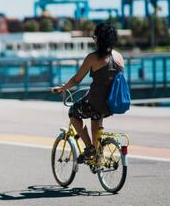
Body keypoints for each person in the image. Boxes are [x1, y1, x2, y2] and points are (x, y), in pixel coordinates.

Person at [51, 23, 125, 163]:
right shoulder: (119, 57)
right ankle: (98, 155)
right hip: (111, 103)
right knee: (96, 116)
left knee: (73, 112)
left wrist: (63, 88)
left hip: (95, 101)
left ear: (99, 39)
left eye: (94, 37)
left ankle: (90, 147)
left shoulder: (93, 57)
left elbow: (76, 79)